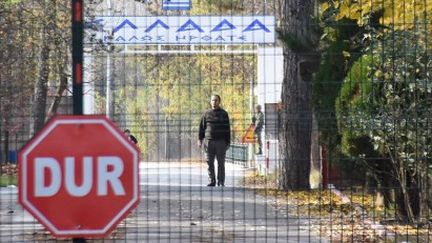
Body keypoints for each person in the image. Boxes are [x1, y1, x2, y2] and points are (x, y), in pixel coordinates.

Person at [198, 94, 231, 187]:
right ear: (210, 102)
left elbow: (227, 129)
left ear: (219, 102)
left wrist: (228, 142)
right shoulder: (206, 113)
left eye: (216, 100)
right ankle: (212, 181)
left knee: (221, 163)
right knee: (209, 162)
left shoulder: (224, 114)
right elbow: (201, 128)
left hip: (221, 142)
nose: (214, 102)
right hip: (209, 142)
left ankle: (221, 181)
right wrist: (200, 140)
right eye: (212, 100)